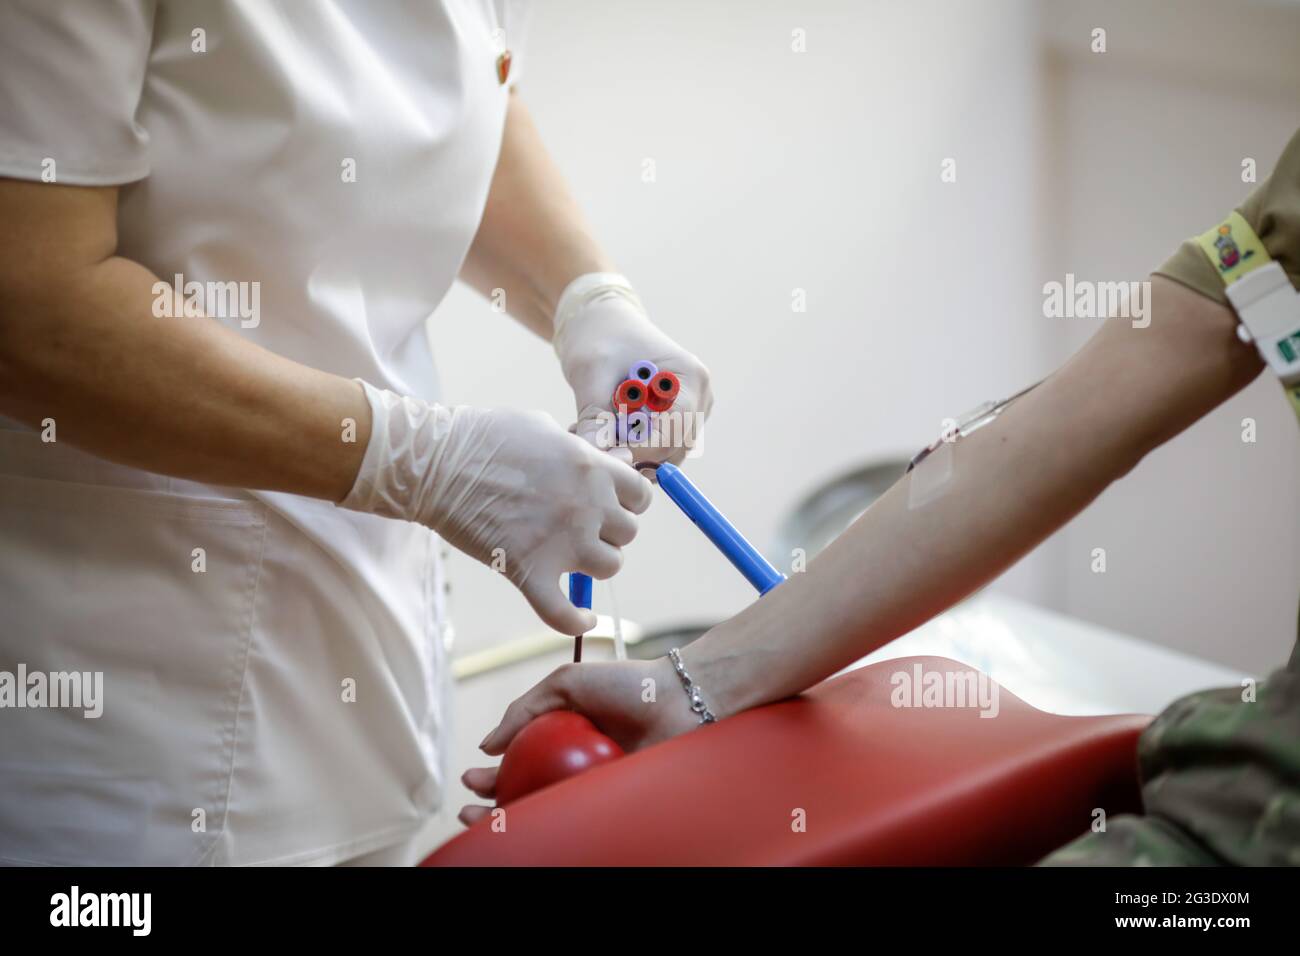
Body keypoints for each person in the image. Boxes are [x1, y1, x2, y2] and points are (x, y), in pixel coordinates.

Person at [465, 130, 1300, 865]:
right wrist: (695, 683)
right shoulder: (1282, 219)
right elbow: (1063, 431)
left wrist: (421, 460)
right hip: (1232, 805)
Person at [0, 1, 711, 865]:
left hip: (365, 667)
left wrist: (589, 298)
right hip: (123, 719)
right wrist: (420, 462)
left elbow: (459, 96)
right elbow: (28, 304)